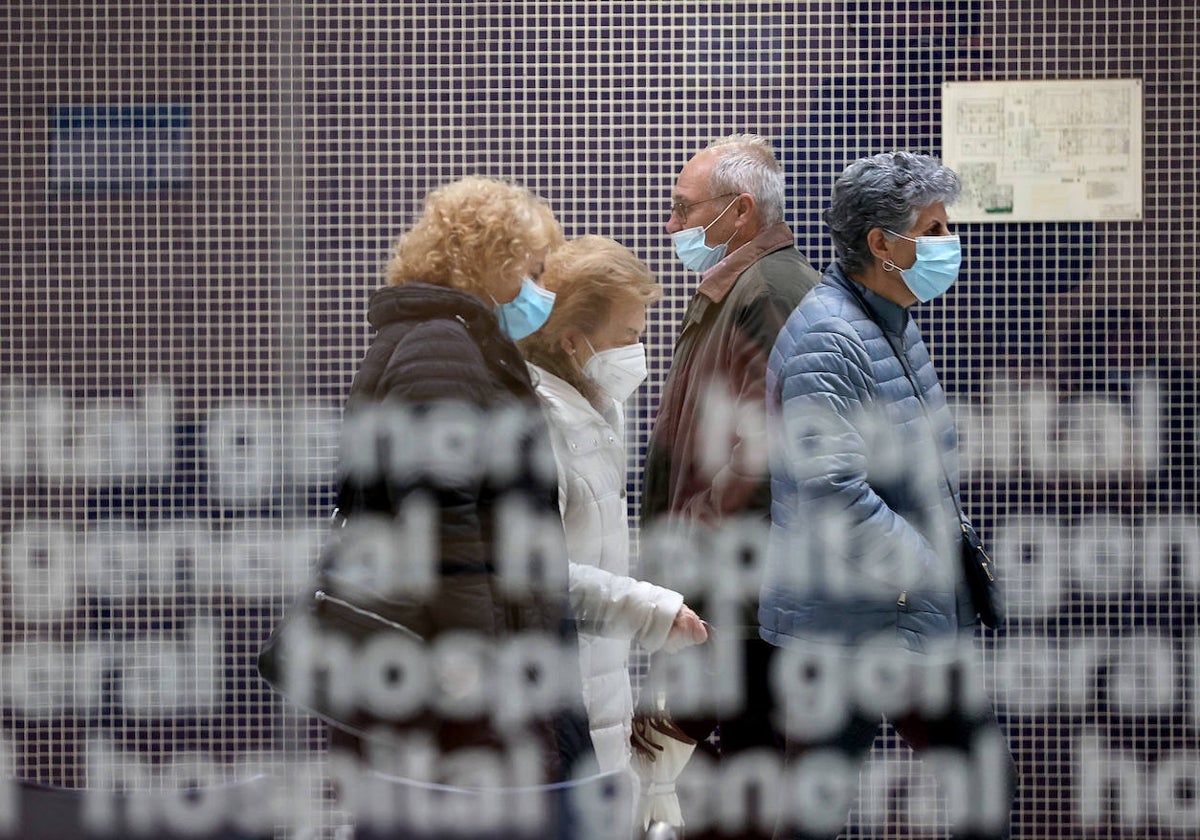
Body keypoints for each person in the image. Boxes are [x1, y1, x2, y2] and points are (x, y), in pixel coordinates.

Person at [269, 176, 594, 792]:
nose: (538, 285)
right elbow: (443, 522)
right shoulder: (442, 346)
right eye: (530, 266)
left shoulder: (444, 340)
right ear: (490, 260)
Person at [759, 151, 1017, 839]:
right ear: (882, 244)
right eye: (933, 229)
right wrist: (928, 570)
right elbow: (829, 491)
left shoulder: (890, 320)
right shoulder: (830, 336)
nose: (948, 244)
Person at [640, 134, 822, 775]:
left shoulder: (770, 292)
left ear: (740, 211)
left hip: (752, 597)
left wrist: (686, 537)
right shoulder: (741, 286)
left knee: (752, 774)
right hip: (735, 589)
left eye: (683, 208)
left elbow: (768, 455)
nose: (672, 225)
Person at [518, 235, 709, 828]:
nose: (639, 348)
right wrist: (649, 610)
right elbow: (532, 576)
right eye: (628, 335)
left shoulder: (597, 407)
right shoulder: (534, 423)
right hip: (555, 699)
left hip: (601, 687)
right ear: (573, 340)